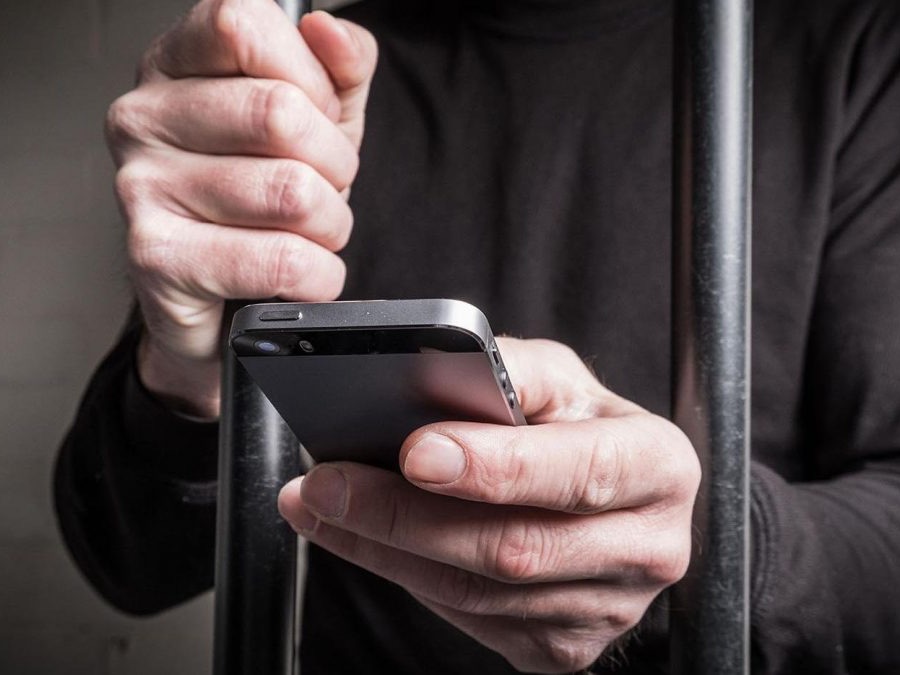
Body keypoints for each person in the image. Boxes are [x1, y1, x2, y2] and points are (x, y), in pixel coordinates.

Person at [54, 0, 900, 672]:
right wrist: (191, 365)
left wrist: (711, 544)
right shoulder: (308, 81)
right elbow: (131, 565)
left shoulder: (853, 46)